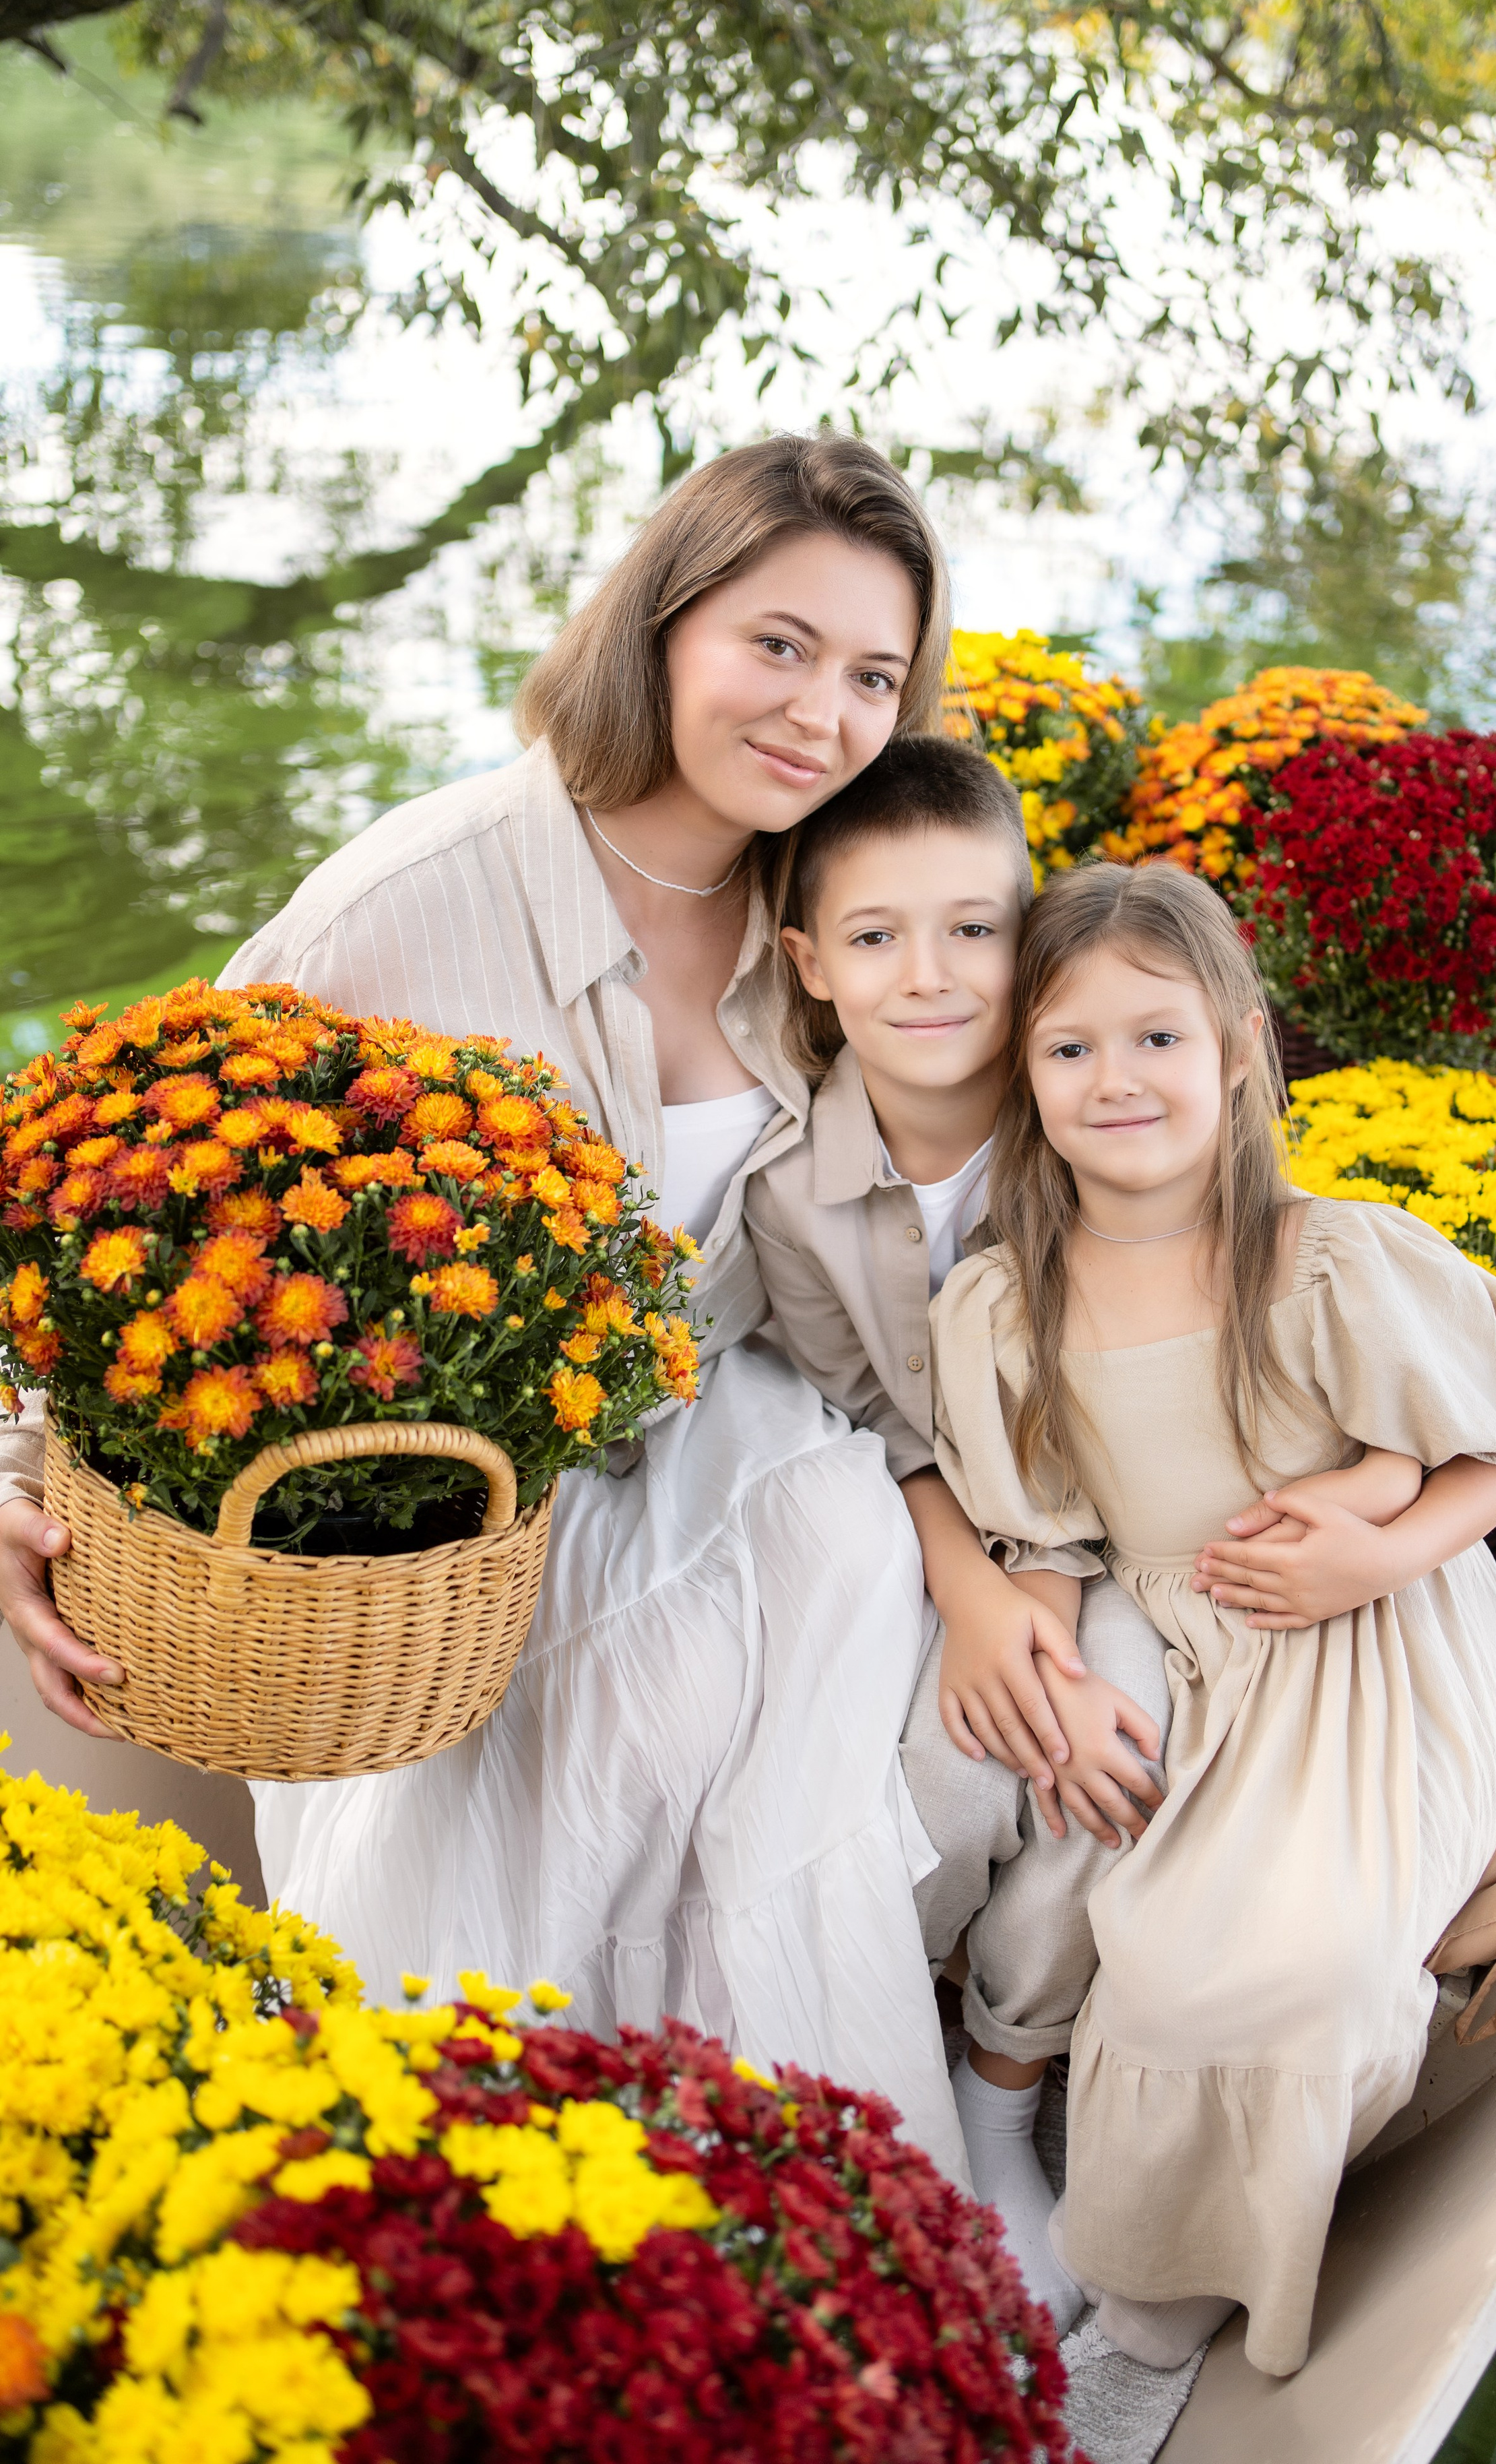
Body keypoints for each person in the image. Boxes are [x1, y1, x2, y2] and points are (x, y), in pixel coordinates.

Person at [0, 434, 966, 2179]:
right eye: (778, 644)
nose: (821, 712)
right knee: (619, 1692)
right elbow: (124, 1185)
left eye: (873, 676)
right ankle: (483, 2147)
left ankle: (773, 2161)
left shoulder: (833, 922)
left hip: (693, 1429)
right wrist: (21, 1469)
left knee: (829, 1536)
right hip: (432, 1519)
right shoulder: (416, 899)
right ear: (665, 624)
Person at [745, 743, 1428, 2325]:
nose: (930, 977)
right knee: (932, 1767)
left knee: (1096, 1752)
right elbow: (868, 1422)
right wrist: (984, 1598)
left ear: (1025, 937)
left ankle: (1000, 2088)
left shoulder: (1085, 1108)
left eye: (973, 931)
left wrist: (1046, 1592)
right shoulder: (792, 1195)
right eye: (873, 939)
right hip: (928, 1536)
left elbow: (1221, 1351)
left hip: (1123, 1542)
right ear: (808, 965)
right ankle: (876, 2032)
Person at [927, 859, 1496, 2376]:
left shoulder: (1322, 1257)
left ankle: (1202, 2277)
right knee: (1141, 1922)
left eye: (1155, 1038)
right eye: (1069, 1049)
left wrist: (1375, 1543)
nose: (1116, 1079)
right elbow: (1043, 1532)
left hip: (1376, 1639)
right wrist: (1039, 1648)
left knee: (1301, 1971)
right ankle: (1046, 2146)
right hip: (1174, 1629)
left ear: (1233, 1046)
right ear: (1023, 1078)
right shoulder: (1010, 1303)